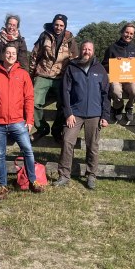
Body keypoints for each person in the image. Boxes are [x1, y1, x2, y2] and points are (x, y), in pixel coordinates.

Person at [0, 46, 45, 200]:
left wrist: (30, 119)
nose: (10, 55)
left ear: (17, 56)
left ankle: (33, 181)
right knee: (0, 155)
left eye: (14, 53)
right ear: (3, 54)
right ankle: (2, 186)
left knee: (28, 151)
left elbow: (29, 98)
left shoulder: (23, 74)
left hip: (18, 122)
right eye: (8, 53)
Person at [55, 41, 110, 190]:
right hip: (75, 114)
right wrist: (68, 113)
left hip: (95, 114)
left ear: (93, 51)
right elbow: (65, 91)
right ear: (80, 50)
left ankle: (91, 175)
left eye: (89, 49)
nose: (86, 51)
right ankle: (64, 175)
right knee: (67, 141)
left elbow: (105, 94)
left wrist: (105, 115)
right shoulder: (72, 67)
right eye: (84, 49)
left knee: (92, 145)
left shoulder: (100, 69)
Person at [29, 13, 78, 141]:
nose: (58, 27)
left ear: (65, 26)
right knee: (33, 102)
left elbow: (75, 60)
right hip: (43, 74)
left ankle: (57, 130)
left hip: (61, 76)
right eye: (56, 24)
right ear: (53, 24)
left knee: (64, 104)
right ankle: (42, 128)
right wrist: (31, 75)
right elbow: (35, 55)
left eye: (61, 25)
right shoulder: (45, 35)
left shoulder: (70, 39)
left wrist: (73, 78)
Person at [102, 23, 135, 124]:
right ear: (122, 32)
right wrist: (114, 63)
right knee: (115, 91)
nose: (128, 35)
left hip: (130, 78)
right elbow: (103, 66)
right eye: (126, 32)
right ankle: (118, 107)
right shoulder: (112, 48)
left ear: (134, 35)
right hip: (116, 77)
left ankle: (129, 106)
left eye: (131, 33)